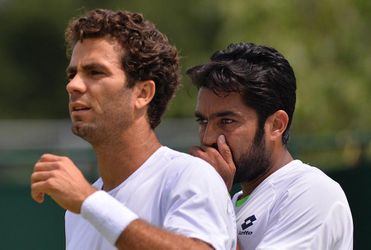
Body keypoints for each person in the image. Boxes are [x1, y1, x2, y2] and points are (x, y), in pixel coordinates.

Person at [30, 9, 236, 250]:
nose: (73, 85)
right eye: (72, 73)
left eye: (95, 72)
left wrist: (89, 202)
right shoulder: (76, 213)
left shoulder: (190, 176)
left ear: (143, 93)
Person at [187, 42, 353, 249]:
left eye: (227, 121)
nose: (208, 137)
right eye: (203, 121)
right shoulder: (230, 203)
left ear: (276, 125)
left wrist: (214, 195)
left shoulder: (313, 192)